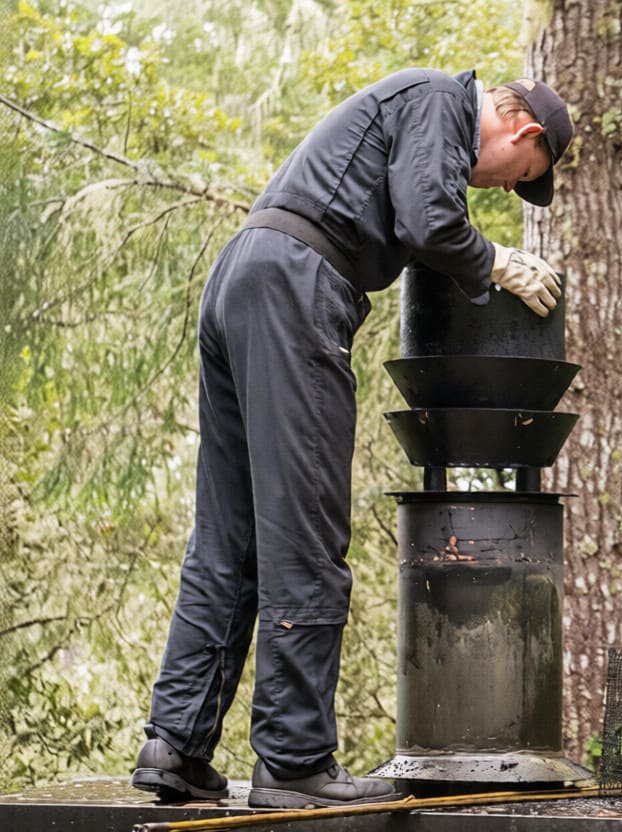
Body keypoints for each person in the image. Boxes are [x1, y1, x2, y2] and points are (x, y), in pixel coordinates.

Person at [130, 68, 573, 809]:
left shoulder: (414, 114)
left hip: (245, 276)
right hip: (297, 287)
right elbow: (430, 221)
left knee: (231, 537)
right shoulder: (442, 99)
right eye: (515, 177)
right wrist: (498, 262)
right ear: (521, 130)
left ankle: (174, 745)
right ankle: (295, 761)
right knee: (305, 535)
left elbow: (415, 215)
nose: (498, 191)